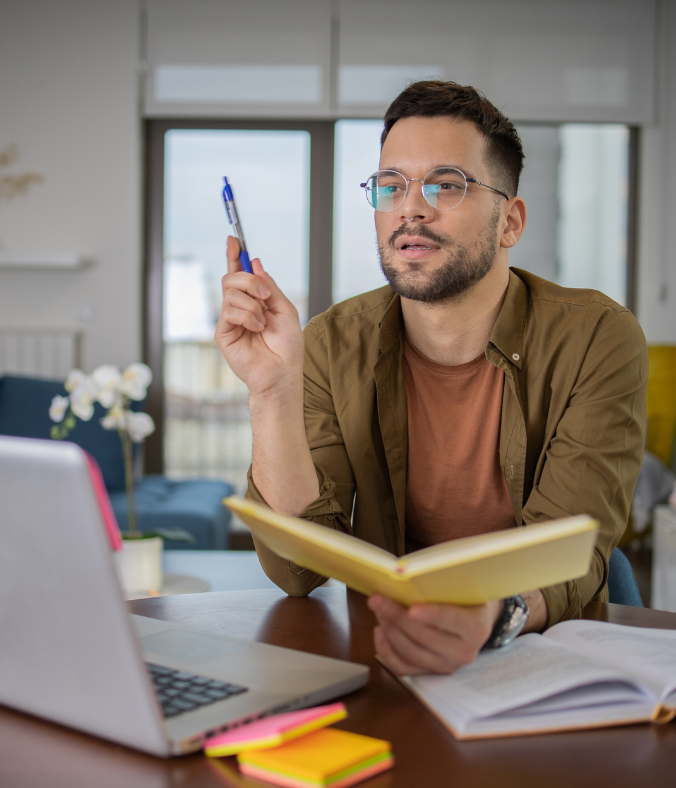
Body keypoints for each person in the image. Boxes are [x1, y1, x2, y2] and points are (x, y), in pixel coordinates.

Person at [215, 80, 647, 676]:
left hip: (543, 650)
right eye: (390, 186)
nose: (410, 208)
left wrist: (488, 618)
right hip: (393, 649)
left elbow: (573, 549)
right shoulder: (329, 343)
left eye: (447, 184)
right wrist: (270, 391)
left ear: (510, 222)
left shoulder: (597, 336)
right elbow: (296, 569)